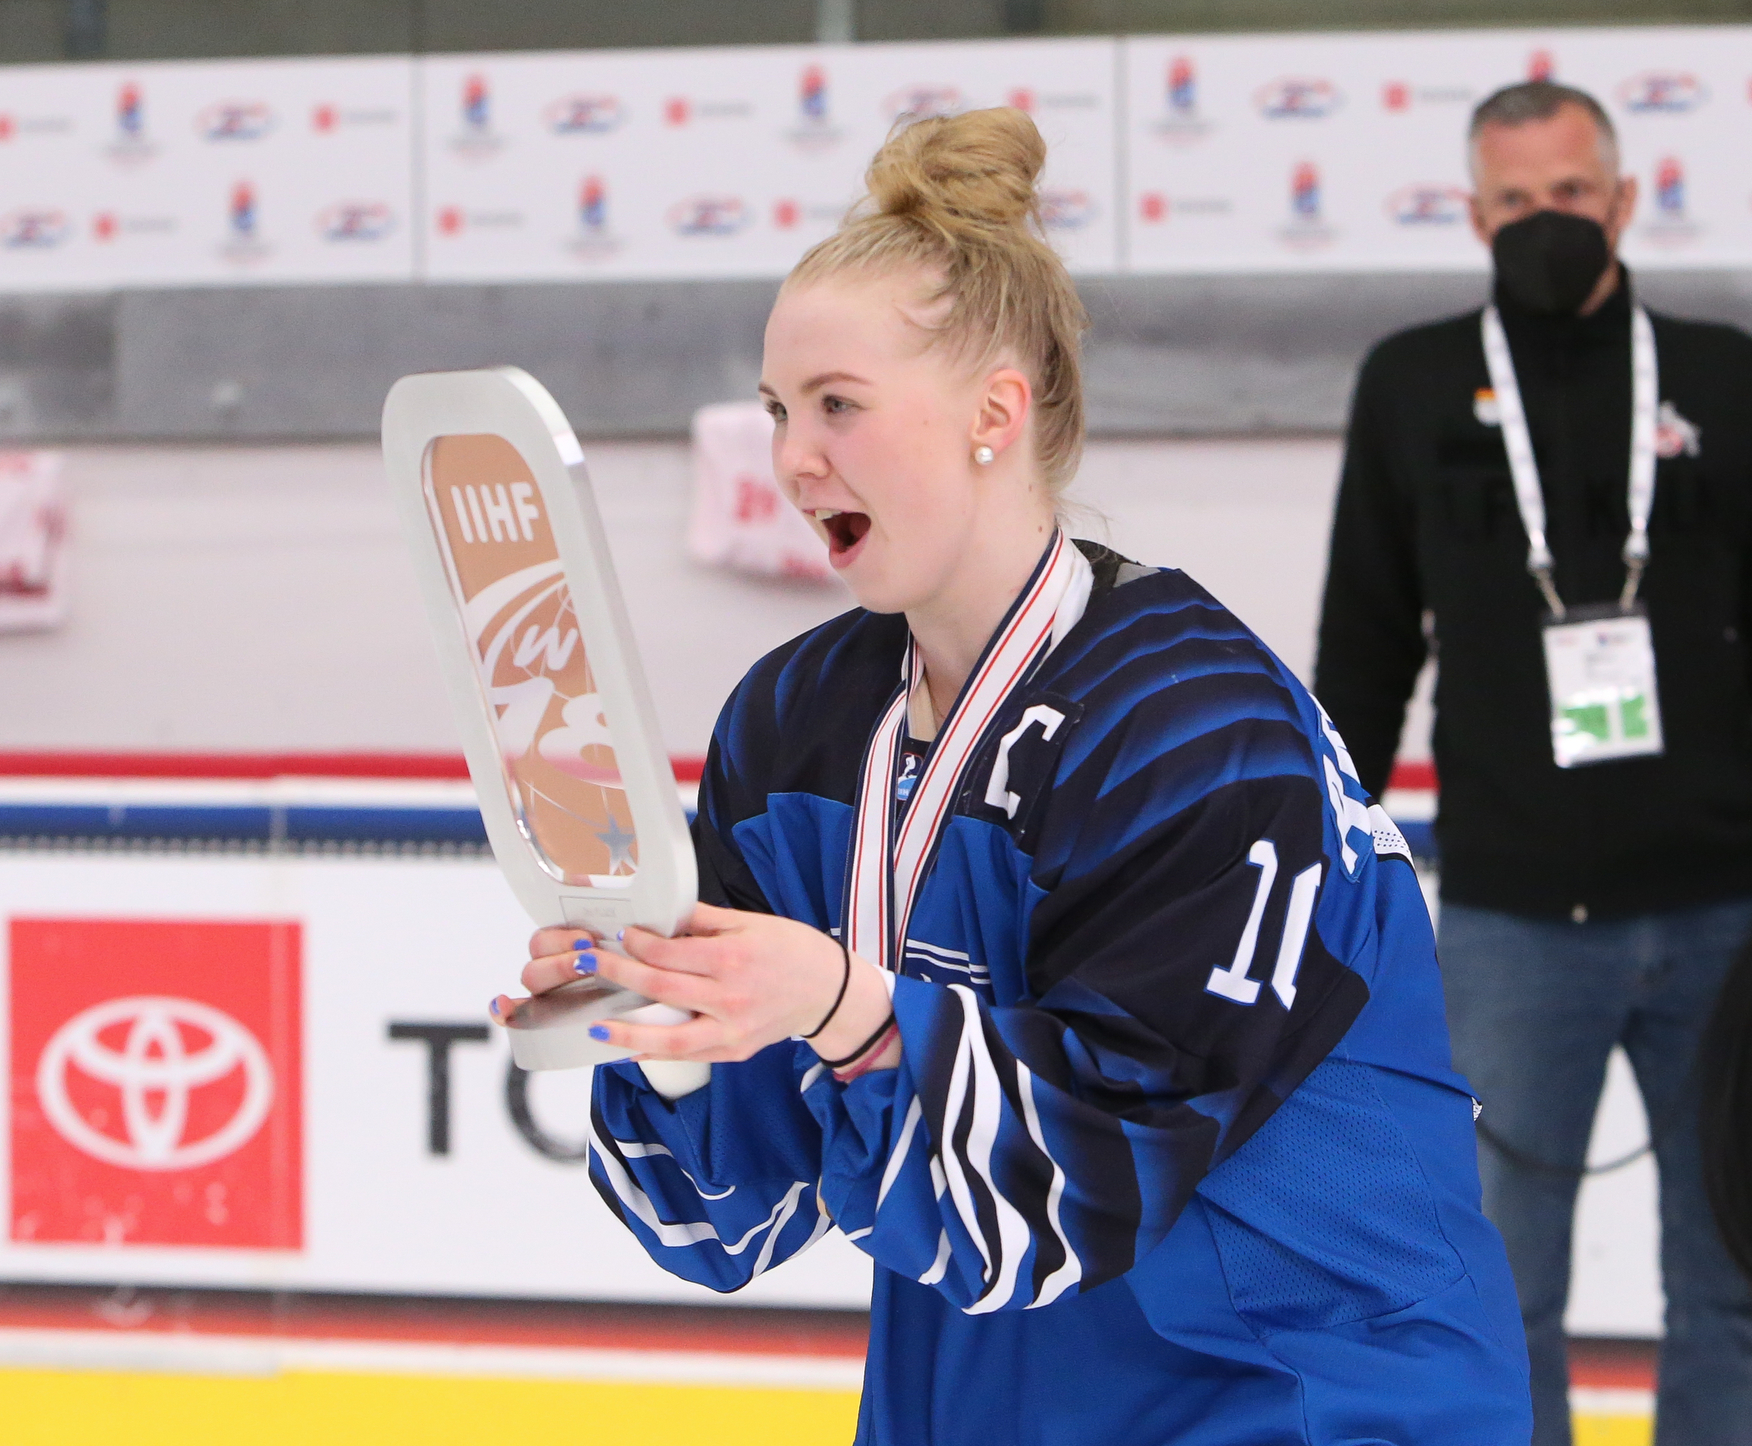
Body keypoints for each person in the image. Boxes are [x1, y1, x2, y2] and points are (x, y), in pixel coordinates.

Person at [497, 108, 1531, 1444]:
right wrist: (660, 1023)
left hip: (1307, 1409)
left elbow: (1068, 1201)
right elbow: (718, 1225)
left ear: (996, 412)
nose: (793, 459)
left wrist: (845, 1008)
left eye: (838, 406)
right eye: (778, 411)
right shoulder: (795, 725)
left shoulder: (1195, 734)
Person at [1314, 80, 1752, 1446]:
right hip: (1511, 921)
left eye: (1569, 193)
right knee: (1497, 1291)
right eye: (1513, 201)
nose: (1543, 220)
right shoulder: (1412, 382)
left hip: (1725, 912)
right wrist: (1327, 870)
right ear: (1472, 215)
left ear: (1623, 200)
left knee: (1734, 1282)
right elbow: (1365, 642)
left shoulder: (1725, 376)